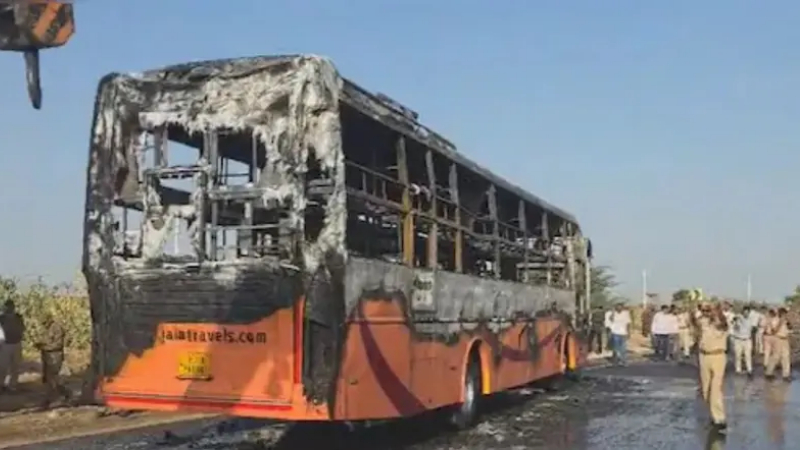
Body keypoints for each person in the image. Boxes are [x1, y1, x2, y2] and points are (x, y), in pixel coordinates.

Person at [691, 302, 729, 432]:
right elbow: (694, 322)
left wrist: (714, 310)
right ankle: (713, 416)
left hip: (718, 356)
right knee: (706, 390)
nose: (706, 312)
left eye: (709, 310)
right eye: (705, 311)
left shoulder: (721, 323)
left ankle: (720, 419)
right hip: (704, 356)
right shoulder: (703, 322)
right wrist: (694, 308)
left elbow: (723, 323)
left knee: (715, 388)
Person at [35, 310, 71, 409]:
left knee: (53, 379)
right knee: (48, 379)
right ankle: (60, 396)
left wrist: (45, 347)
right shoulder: (46, 328)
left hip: (55, 356)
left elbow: (58, 344)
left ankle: (51, 399)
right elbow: (46, 341)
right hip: (47, 356)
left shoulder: (57, 328)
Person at [0, 300, 25, 392]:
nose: (9, 308)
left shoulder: (18, 317)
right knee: (3, 366)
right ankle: (1, 384)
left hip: (17, 343)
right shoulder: (1, 318)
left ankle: (12, 385)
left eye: (11, 306)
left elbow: (22, 328)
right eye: (7, 306)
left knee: (15, 366)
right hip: (5, 344)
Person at [765, 307, 792, 381]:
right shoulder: (774, 320)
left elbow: (790, 329)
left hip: (785, 339)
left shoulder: (786, 320)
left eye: (785, 313)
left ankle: (786, 375)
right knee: (776, 357)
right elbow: (774, 330)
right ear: (780, 313)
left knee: (786, 357)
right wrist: (781, 322)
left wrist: (788, 323)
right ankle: (769, 372)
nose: (785, 315)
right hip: (778, 338)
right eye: (783, 313)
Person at [730, 306, 754, 378]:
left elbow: (752, 329)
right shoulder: (738, 318)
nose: (746, 314)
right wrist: (736, 321)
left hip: (747, 340)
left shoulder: (751, 320)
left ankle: (749, 370)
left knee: (748, 355)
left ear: (749, 313)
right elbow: (733, 323)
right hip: (738, 339)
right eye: (744, 312)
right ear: (742, 312)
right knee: (738, 355)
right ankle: (738, 369)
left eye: (747, 313)